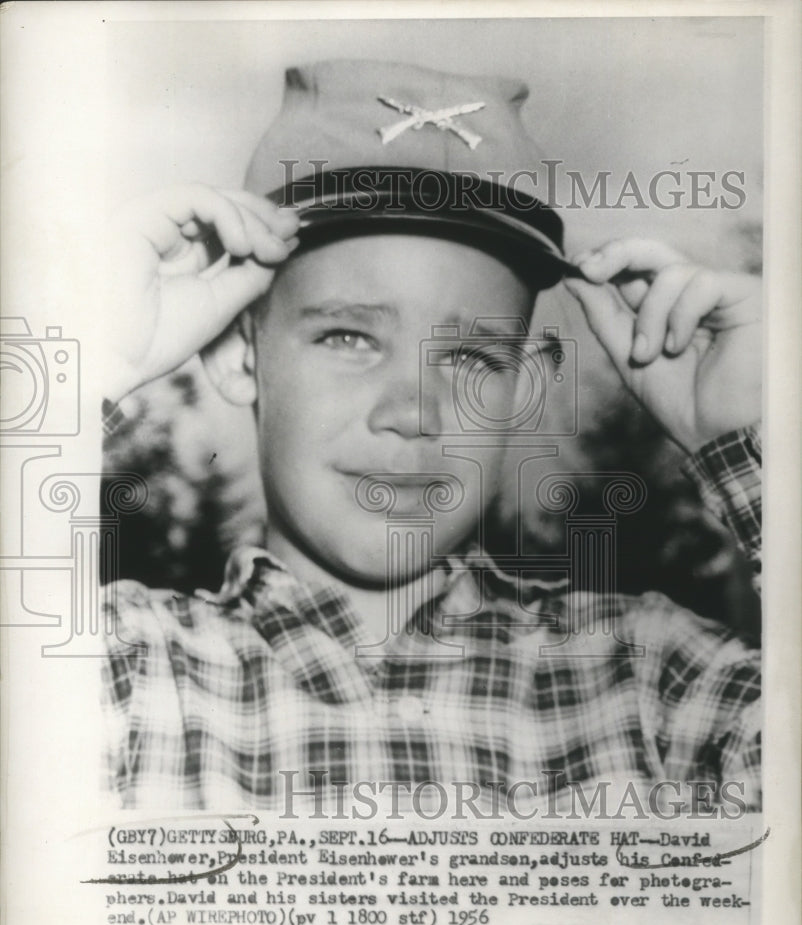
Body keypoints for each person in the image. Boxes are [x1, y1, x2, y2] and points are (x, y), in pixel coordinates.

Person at [101, 60, 761, 814]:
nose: (414, 411)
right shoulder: (129, 670)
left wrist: (759, 437)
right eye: (349, 337)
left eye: (472, 357)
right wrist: (87, 365)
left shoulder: (654, 679)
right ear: (236, 357)